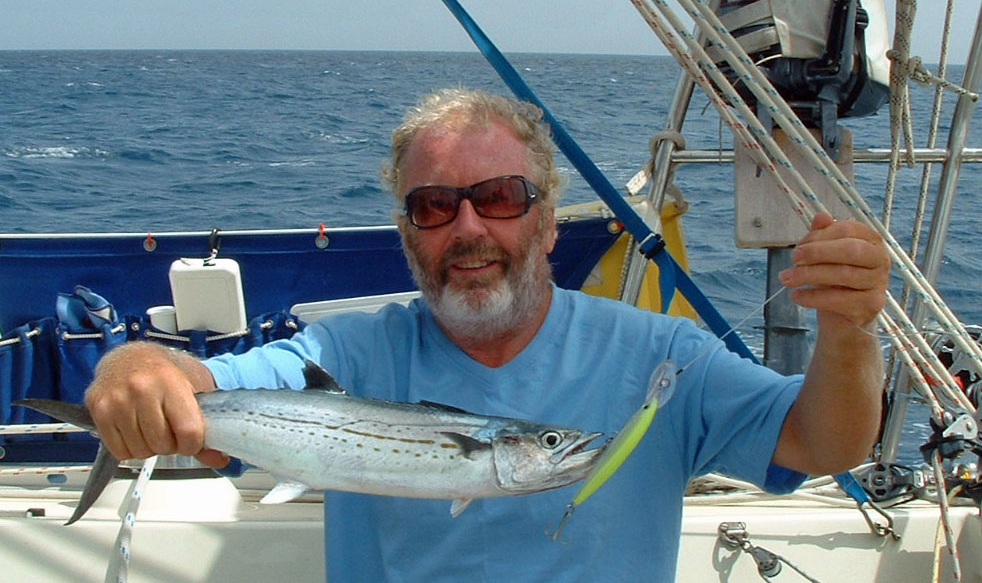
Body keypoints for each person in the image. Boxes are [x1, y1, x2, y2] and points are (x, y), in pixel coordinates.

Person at [85, 88, 890, 581]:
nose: (468, 226)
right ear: (410, 239)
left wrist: (850, 331)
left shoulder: (662, 357)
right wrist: (134, 370)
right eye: (434, 206)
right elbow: (195, 383)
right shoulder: (349, 353)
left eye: (500, 196)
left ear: (544, 224)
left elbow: (825, 441)